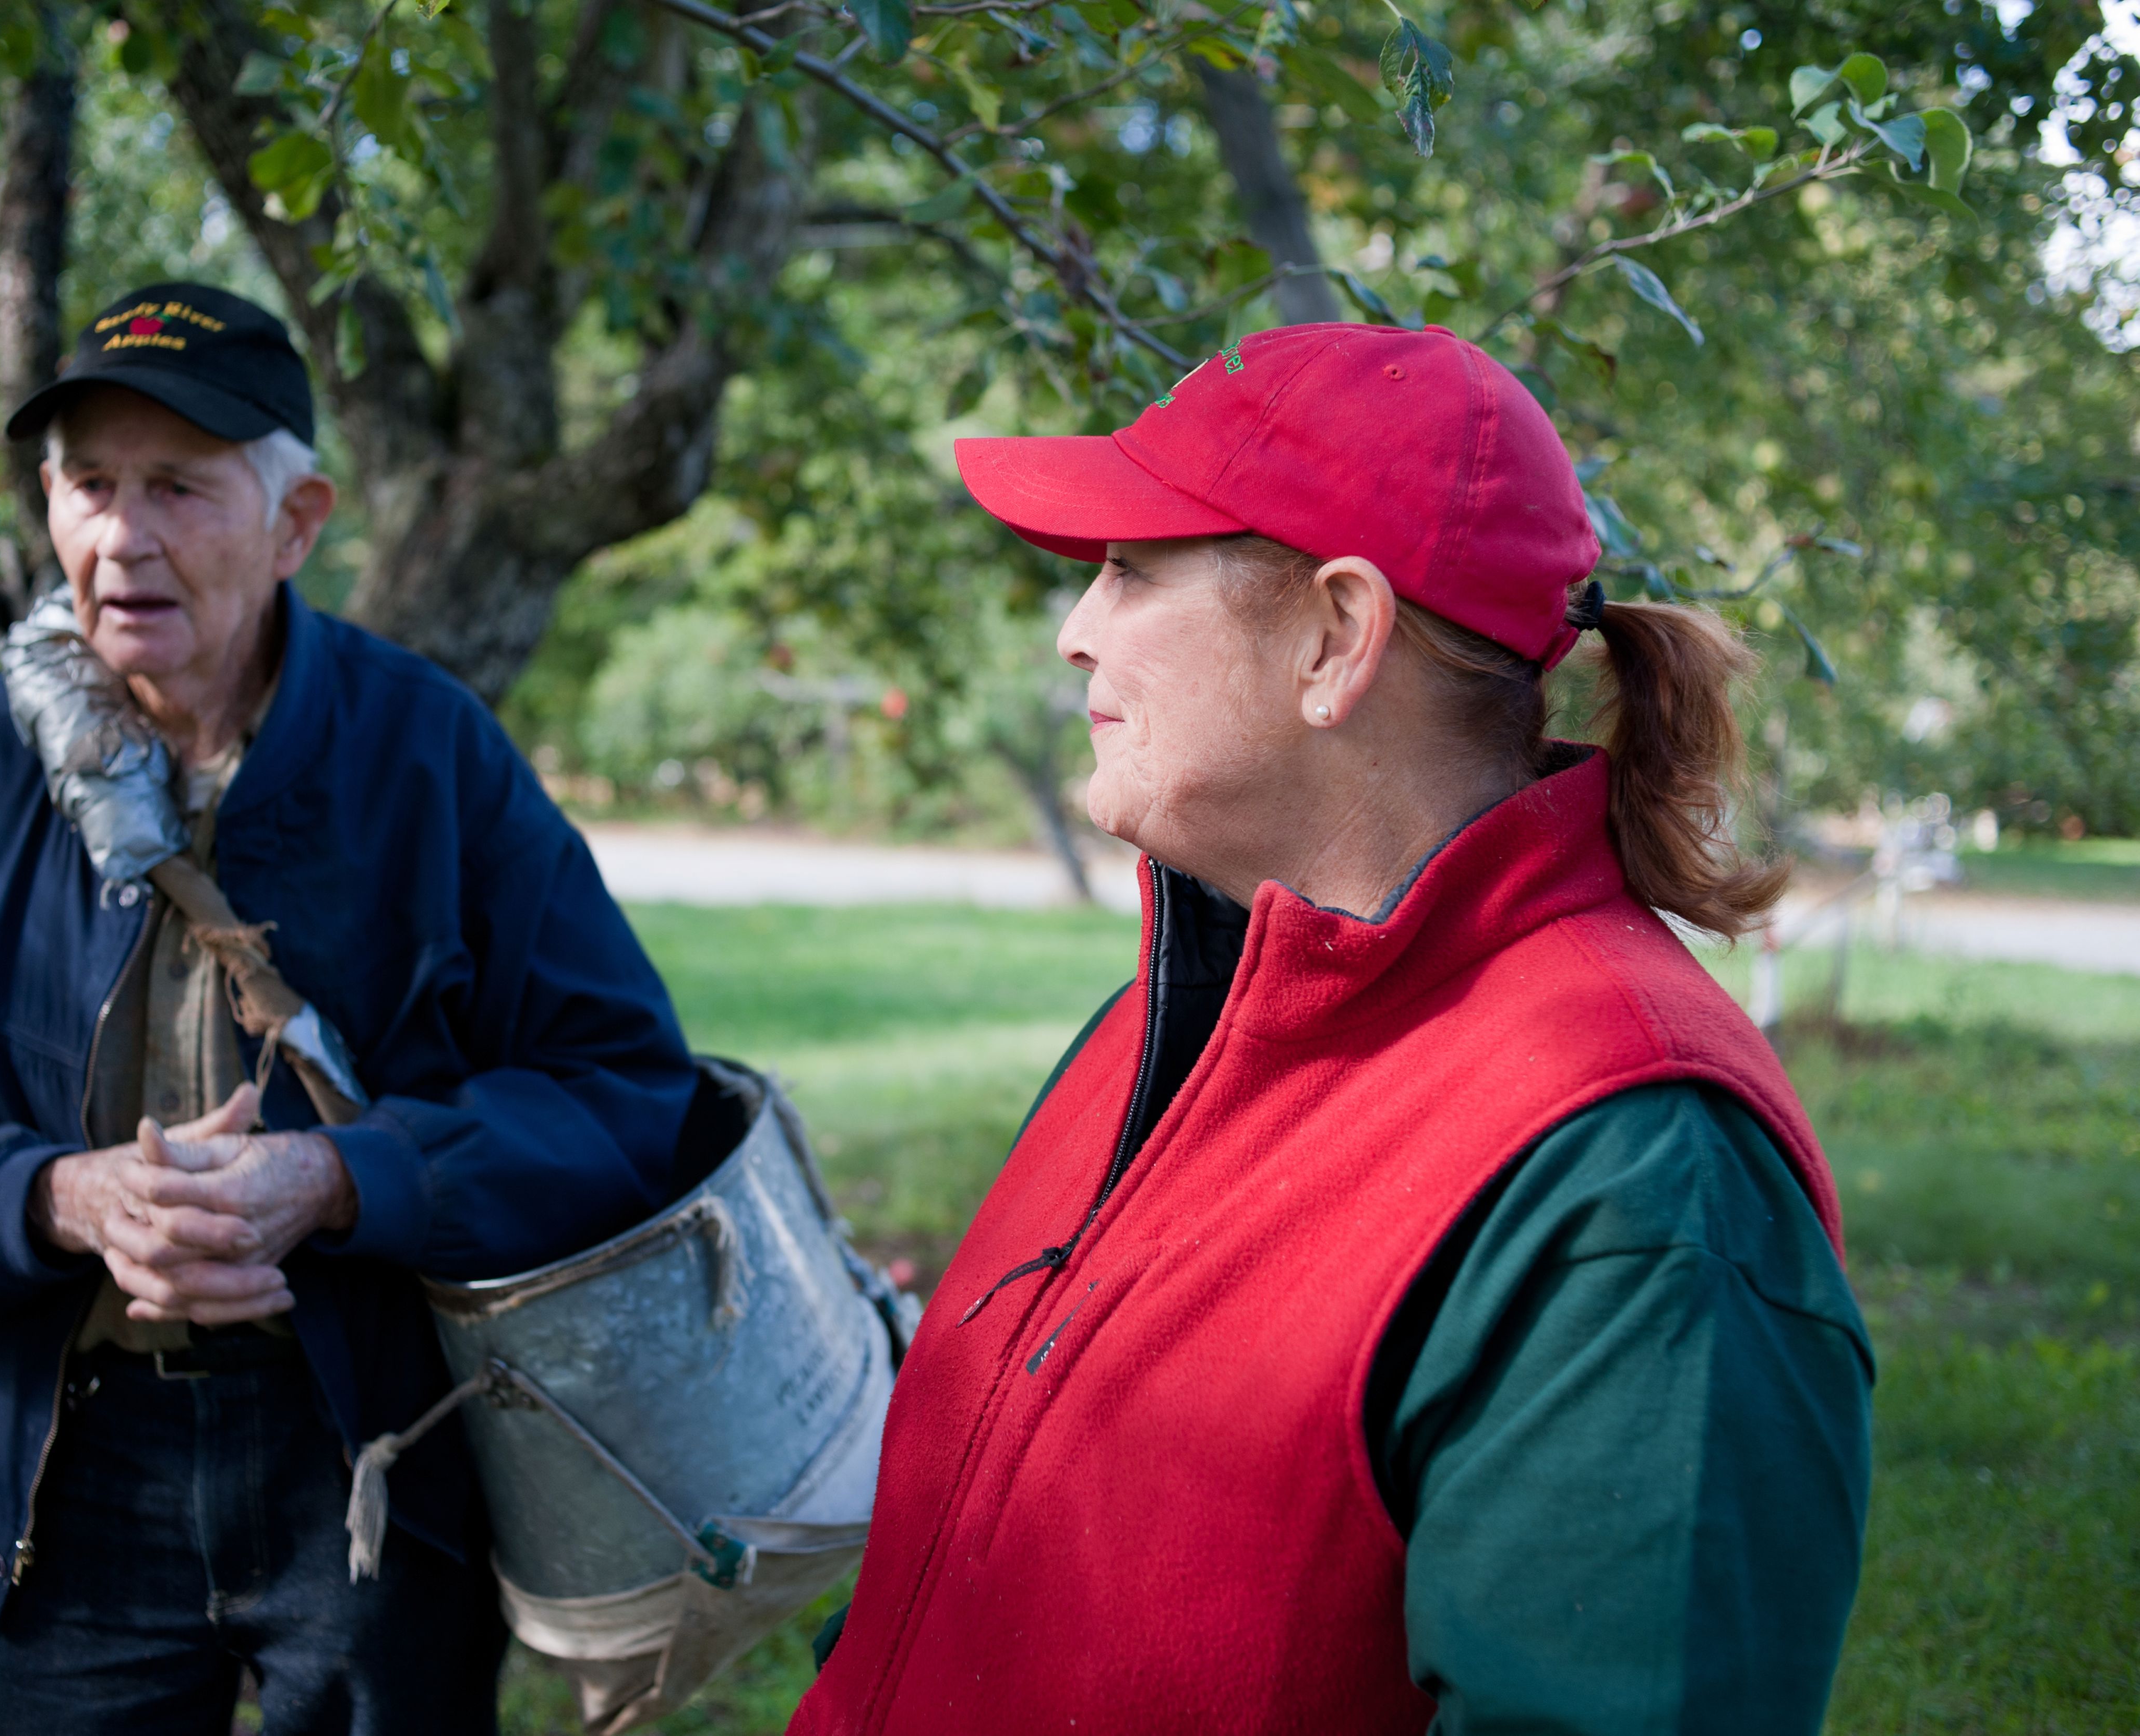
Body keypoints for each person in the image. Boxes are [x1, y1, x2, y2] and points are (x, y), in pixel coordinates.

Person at [794, 324, 1873, 1735]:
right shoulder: (1176, 1017)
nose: (1076, 629)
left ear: (1336, 637)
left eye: (1132, 567)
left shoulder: (1639, 1176)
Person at [0, 282, 698, 1734]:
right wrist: (60, 1201)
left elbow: (622, 1093)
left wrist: (337, 1178)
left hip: (374, 1455)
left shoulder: (427, 754)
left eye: (180, 489)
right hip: (67, 1471)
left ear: (296, 523)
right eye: (89, 484)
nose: (121, 537)